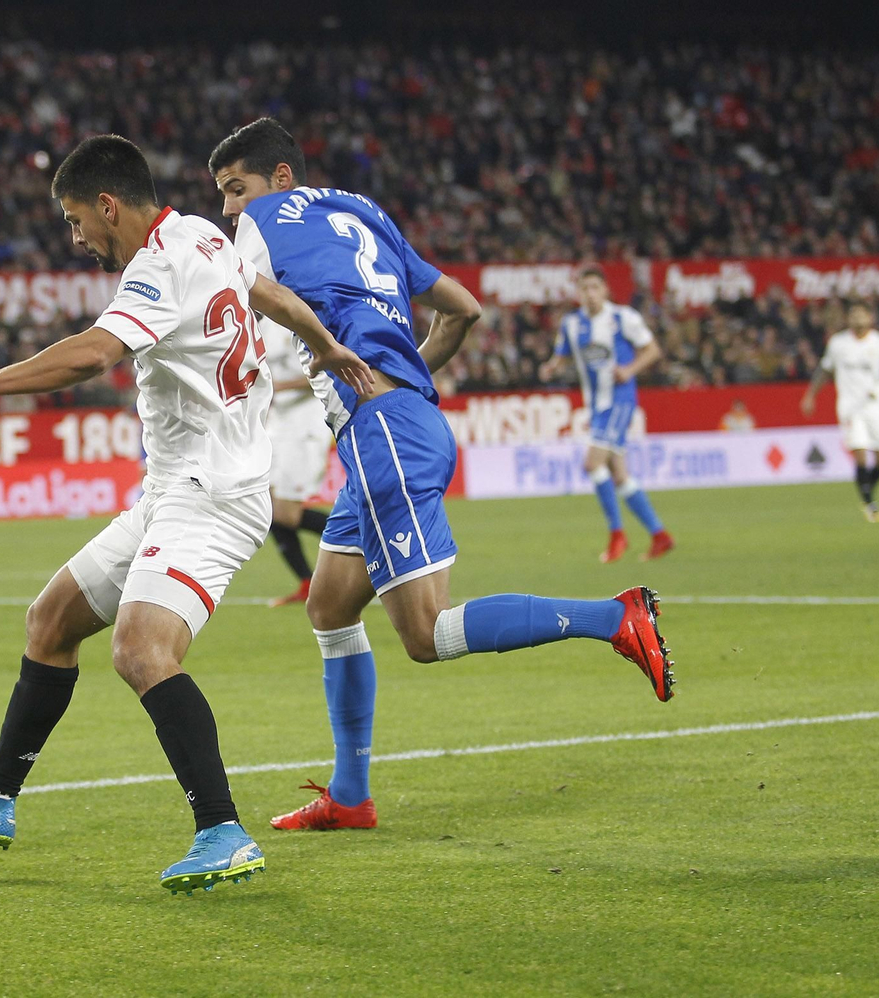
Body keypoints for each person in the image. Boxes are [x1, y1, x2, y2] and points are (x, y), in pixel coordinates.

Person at [0, 134, 373, 891]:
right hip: (173, 489)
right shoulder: (204, 233)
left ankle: (222, 830)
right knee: (50, 621)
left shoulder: (159, 262)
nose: (76, 236)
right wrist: (325, 342)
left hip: (213, 494)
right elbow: (267, 295)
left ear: (107, 204)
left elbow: (94, 353)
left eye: (74, 219)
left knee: (141, 651)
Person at [209, 118, 675, 833]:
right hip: (398, 423)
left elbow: (252, 288)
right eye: (222, 197)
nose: (229, 209)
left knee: (424, 636)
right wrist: (398, 374)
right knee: (330, 607)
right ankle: (351, 795)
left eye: (235, 189)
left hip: (383, 433)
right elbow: (464, 308)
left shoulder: (265, 219)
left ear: (278, 177)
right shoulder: (365, 212)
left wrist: (328, 347)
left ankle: (615, 617)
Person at [538, 267, 674, 563]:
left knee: (592, 462)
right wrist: (551, 367)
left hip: (620, 401)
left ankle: (617, 535)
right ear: (579, 293)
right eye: (584, 288)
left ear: (605, 290)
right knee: (620, 475)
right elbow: (562, 356)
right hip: (597, 405)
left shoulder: (623, 318)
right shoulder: (572, 324)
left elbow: (653, 350)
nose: (590, 293)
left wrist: (629, 370)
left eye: (595, 287)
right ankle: (659, 535)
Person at [261, 314, 336, 607]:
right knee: (266, 506)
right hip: (278, 426)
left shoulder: (299, 318)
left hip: (306, 426)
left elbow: (326, 370)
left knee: (286, 514)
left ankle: (367, 539)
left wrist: (278, 387)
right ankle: (307, 583)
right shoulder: (261, 324)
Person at [801, 301, 879, 522]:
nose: (857, 318)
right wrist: (810, 396)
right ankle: (869, 504)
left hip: (874, 406)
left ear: (870, 318)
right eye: (853, 314)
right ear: (848, 320)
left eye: (861, 313)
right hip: (850, 406)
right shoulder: (838, 343)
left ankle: (867, 492)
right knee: (860, 450)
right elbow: (825, 370)